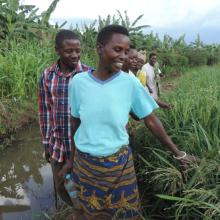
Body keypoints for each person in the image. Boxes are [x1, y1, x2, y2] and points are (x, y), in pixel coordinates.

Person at [68, 25, 196, 220]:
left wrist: (178, 153)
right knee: (91, 213)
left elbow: (151, 121)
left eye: (126, 52)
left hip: (119, 166)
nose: (123, 56)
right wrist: (71, 158)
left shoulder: (130, 83)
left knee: (126, 214)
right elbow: (75, 121)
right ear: (99, 48)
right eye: (117, 49)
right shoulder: (78, 82)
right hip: (86, 165)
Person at [38, 29, 91, 207]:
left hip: (83, 145)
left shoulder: (88, 75)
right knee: (62, 186)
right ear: (57, 50)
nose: (75, 55)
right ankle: (75, 208)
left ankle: (85, 212)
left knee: (85, 185)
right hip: (58, 144)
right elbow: (45, 112)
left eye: (78, 50)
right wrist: (46, 144)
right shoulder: (47, 76)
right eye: (69, 51)